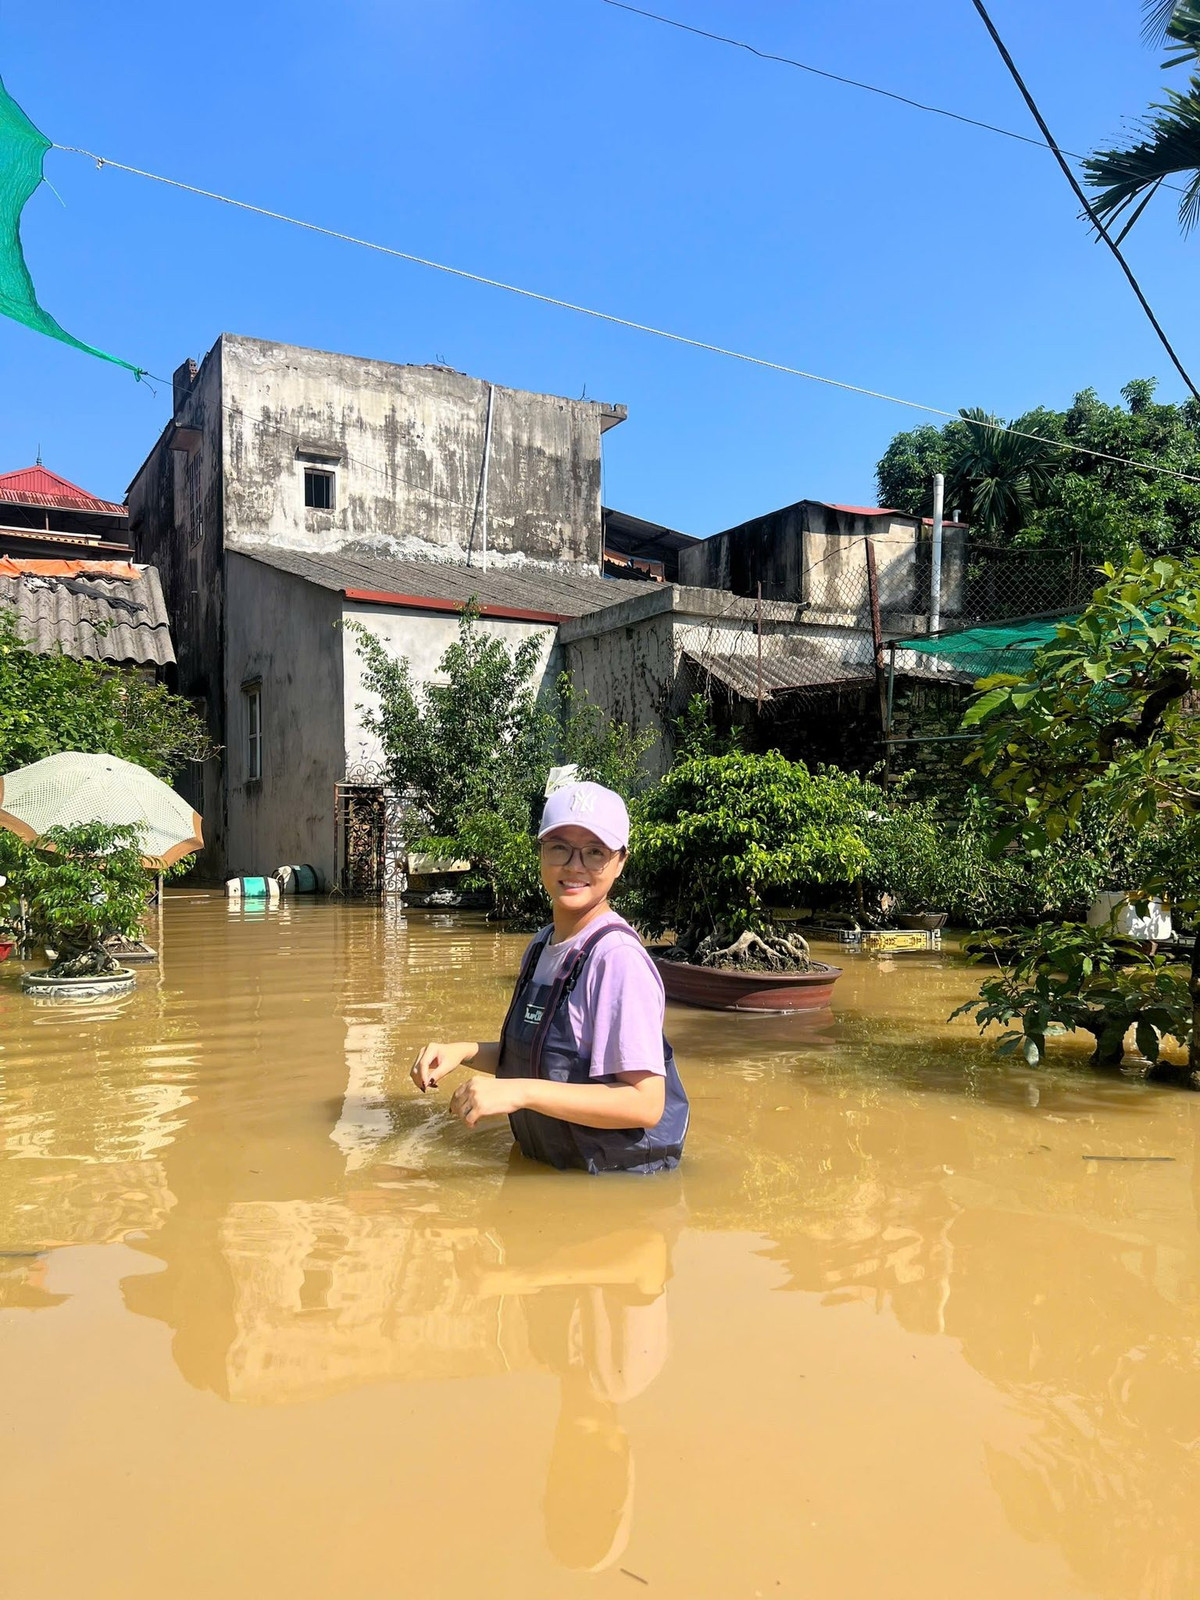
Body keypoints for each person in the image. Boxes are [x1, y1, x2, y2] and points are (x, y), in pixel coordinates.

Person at [410, 780, 689, 1173]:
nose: (575, 866)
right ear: (541, 853)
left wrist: (519, 1092)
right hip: (553, 1175)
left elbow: (645, 1103)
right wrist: (464, 1051)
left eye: (595, 852)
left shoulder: (617, 960)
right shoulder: (543, 945)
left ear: (620, 861)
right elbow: (545, 1058)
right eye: (559, 847)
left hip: (613, 1196)